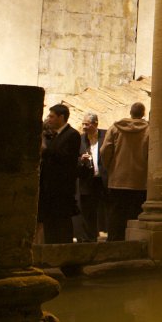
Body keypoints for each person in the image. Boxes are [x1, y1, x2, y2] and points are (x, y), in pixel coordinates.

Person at [100, 102, 149, 241]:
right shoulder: (149, 130)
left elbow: (105, 150)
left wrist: (110, 167)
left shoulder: (115, 128)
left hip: (118, 179)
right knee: (135, 214)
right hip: (140, 180)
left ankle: (114, 242)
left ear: (130, 112)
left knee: (116, 214)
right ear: (143, 113)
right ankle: (133, 243)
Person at [40, 104, 81, 243]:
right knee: (50, 224)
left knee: (62, 224)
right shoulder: (55, 135)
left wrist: (45, 149)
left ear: (61, 117)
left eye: (52, 116)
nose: (49, 119)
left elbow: (66, 158)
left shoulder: (72, 135)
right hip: (50, 188)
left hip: (62, 188)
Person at [75, 112, 105, 242]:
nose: (84, 127)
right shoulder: (80, 139)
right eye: (83, 124)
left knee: (106, 208)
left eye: (87, 124)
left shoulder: (106, 135)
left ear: (96, 124)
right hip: (87, 180)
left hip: (103, 179)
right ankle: (89, 238)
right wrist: (81, 159)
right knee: (87, 211)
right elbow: (73, 158)